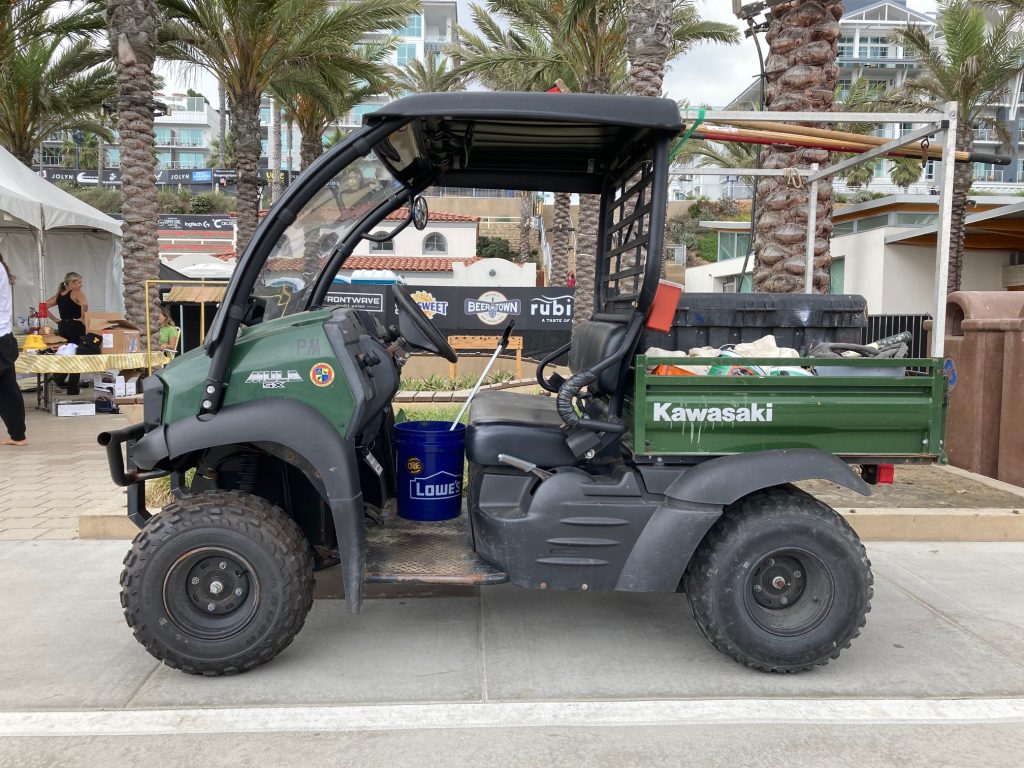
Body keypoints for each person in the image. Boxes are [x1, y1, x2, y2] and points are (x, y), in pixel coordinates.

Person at [0, 252, 27, 446]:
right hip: (4, 337)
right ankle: (18, 435)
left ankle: (18, 435)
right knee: (7, 389)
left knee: (7, 389)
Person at [46, 272, 88, 395]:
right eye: (79, 282)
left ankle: (58, 379)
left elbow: (43, 306)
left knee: (65, 353)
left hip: (63, 326)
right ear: (71, 283)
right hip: (76, 326)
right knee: (76, 355)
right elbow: (84, 304)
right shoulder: (76, 292)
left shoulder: (60, 294)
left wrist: (56, 320)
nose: (81, 285)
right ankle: (72, 388)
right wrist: (83, 318)